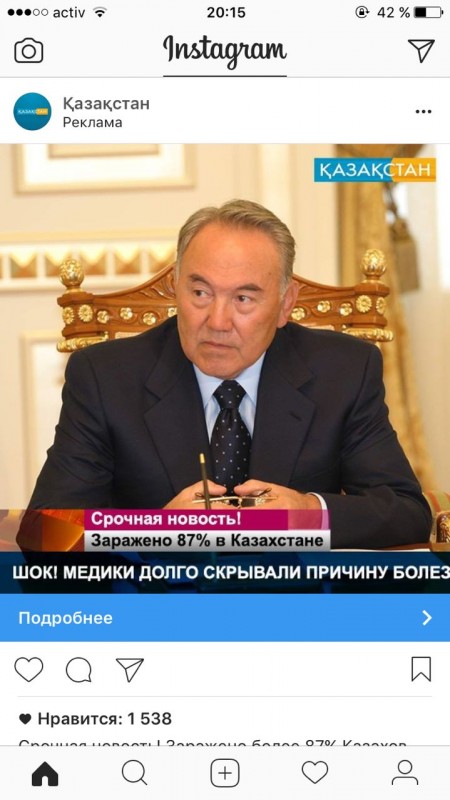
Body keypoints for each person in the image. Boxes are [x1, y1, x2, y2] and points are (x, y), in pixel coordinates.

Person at [25, 199, 431, 548]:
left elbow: (406, 511)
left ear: (285, 304)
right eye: (200, 293)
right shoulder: (104, 377)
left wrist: (309, 512)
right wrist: (156, 531)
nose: (217, 322)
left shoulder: (343, 371)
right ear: (176, 287)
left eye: (244, 298)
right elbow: (46, 532)